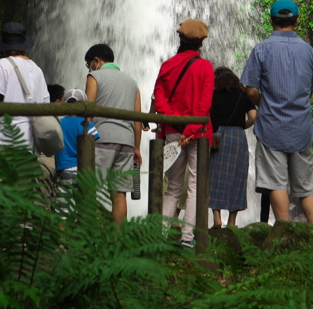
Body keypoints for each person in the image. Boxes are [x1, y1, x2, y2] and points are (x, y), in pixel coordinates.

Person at [241, 0, 313, 226]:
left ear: (270, 21)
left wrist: (263, 102)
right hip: (301, 128)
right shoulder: (309, 52)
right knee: (306, 188)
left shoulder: (262, 50)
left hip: (272, 127)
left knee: (276, 184)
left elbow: (250, 89)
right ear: (297, 20)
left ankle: (284, 235)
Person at [153, 19, 215, 248]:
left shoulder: (167, 65)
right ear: (200, 43)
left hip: (172, 132)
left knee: (173, 186)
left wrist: (177, 125)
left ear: (180, 39)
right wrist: (189, 130)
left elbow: (159, 99)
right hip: (197, 133)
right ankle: (188, 238)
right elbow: (204, 105)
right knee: (195, 186)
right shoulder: (205, 67)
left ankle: (161, 234)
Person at [85, 43, 141, 223]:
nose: (89, 67)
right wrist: (137, 147)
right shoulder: (132, 82)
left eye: (89, 63)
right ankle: (119, 241)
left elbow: (89, 110)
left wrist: (84, 138)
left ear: (96, 60)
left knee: (90, 188)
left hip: (102, 139)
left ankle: (90, 234)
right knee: (119, 194)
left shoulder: (94, 76)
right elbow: (137, 119)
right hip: (127, 141)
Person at [0, 22, 51, 150]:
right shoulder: (37, 69)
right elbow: (46, 106)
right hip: (30, 144)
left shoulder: (2, 64)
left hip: (4, 140)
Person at [209, 67, 257, 228]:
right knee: (238, 176)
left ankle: (216, 217)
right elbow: (253, 117)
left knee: (214, 176)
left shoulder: (213, 94)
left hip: (218, 136)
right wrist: (241, 126)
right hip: (238, 137)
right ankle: (232, 221)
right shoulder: (242, 94)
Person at [54, 88, 99, 214]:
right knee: (85, 212)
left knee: (61, 212)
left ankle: (62, 233)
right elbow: (93, 145)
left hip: (64, 170)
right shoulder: (88, 125)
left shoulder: (58, 123)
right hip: (83, 172)